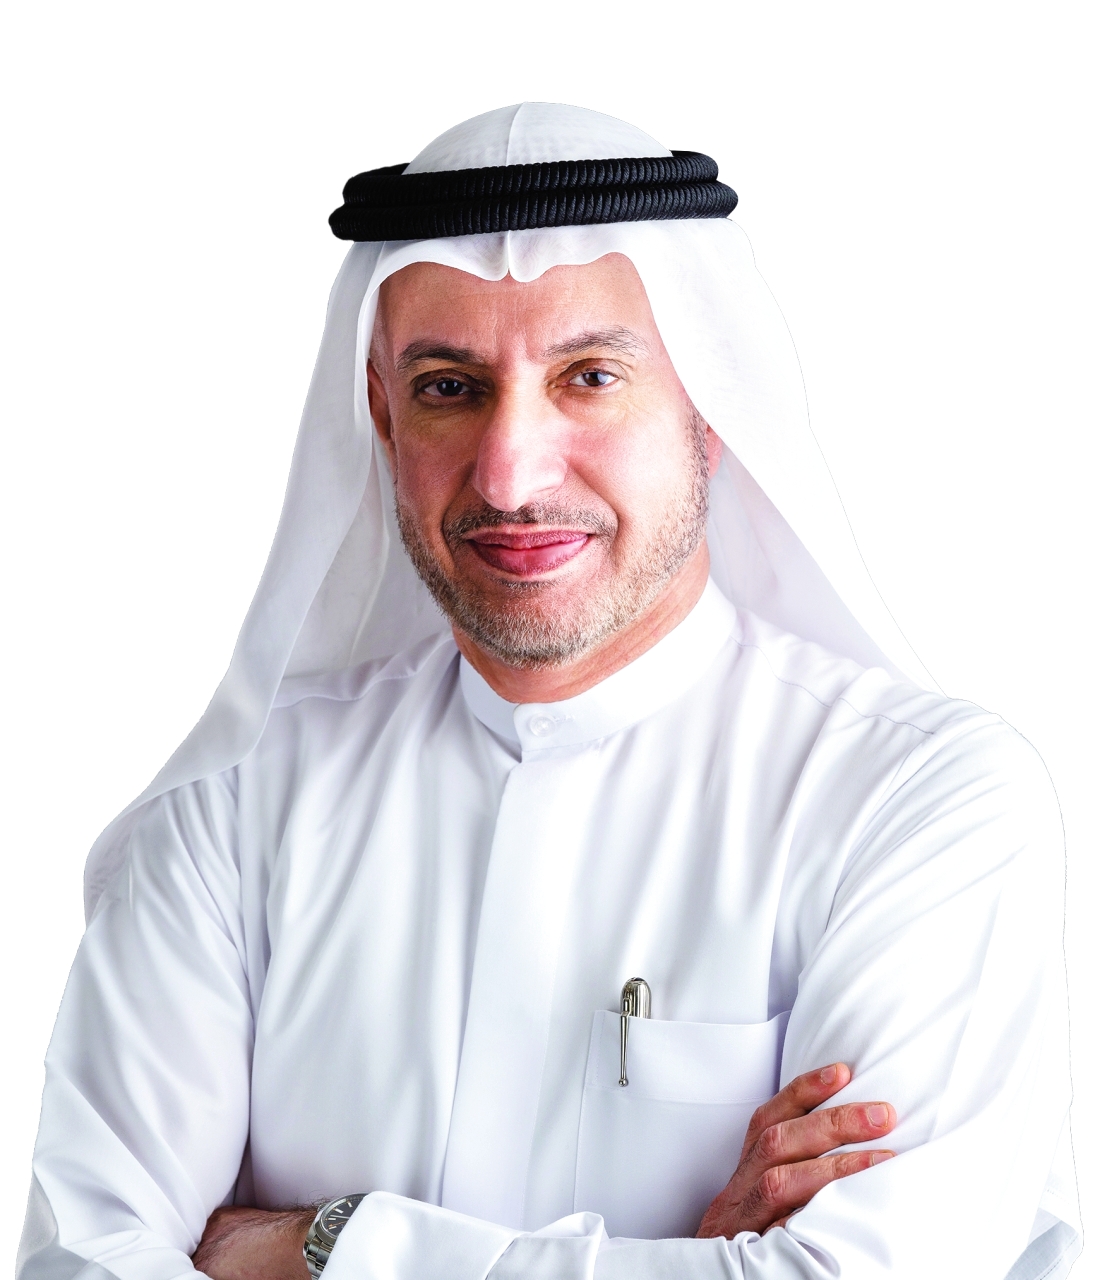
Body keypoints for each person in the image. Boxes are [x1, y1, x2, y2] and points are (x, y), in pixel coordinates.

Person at [17, 103, 1079, 1280]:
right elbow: (82, 1262)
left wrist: (321, 1244)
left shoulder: (918, 799)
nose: (511, 472)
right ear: (381, 413)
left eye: (590, 375)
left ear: (711, 410)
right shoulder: (232, 805)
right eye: (448, 386)